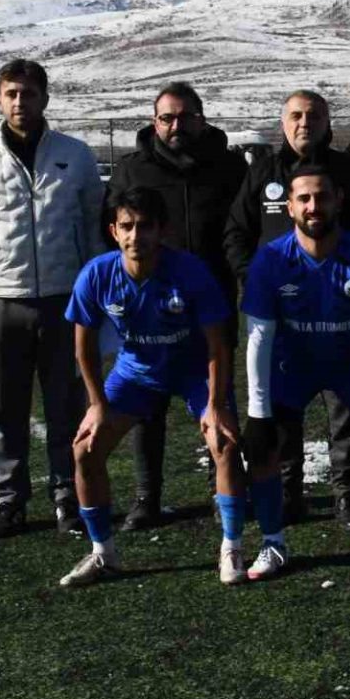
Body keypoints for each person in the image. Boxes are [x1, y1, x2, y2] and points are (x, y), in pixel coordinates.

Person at [0, 59, 102, 539]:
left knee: (66, 405)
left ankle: (67, 494)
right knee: (3, 408)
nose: (19, 102)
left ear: (44, 98)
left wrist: (95, 295)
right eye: (10, 93)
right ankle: (9, 499)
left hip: (65, 299)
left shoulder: (76, 155)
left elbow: (95, 228)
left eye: (28, 93)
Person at [224, 90, 350, 529]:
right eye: (296, 115)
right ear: (283, 122)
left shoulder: (349, 171)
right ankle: (288, 491)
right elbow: (236, 233)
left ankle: (345, 492)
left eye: (313, 116)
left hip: (340, 309)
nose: (304, 123)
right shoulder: (263, 172)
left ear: (326, 122)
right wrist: (257, 279)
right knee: (284, 407)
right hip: (281, 315)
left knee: (344, 407)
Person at [58, 187, 240, 586]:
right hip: (136, 372)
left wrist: (215, 405)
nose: (135, 236)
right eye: (127, 226)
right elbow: (83, 346)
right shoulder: (97, 274)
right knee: (85, 448)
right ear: (113, 231)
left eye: (144, 226)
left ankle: (232, 547)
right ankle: (103, 553)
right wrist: (96, 404)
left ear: (162, 231)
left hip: (194, 369)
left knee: (224, 442)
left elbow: (218, 344)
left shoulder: (190, 271)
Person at [241, 166, 350, 577]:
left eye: (322, 197)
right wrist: (257, 412)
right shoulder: (270, 259)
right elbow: (258, 338)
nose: (313, 206)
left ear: (338, 201)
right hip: (292, 365)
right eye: (304, 199)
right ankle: (272, 542)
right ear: (289, 207)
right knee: (262, 449)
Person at [104, 82, 248, 530]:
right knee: (148, 405)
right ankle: (147, 497)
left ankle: (222, 488)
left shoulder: (229, 167)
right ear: (154, 122)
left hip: (211, 304)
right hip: (148, 308)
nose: (176, 125)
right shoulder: (132, 170)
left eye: (185, 117)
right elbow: (109, 230)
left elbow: (242, 228)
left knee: (217, 398)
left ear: (202, 119)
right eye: (167, 118)